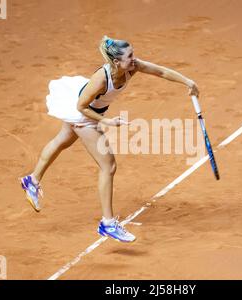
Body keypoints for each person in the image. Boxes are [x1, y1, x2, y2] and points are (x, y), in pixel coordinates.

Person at [20, 36, 199, 243]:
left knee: (63, 141)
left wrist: (188, 82)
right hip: (83, 114)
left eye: (133, 54)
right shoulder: (101, 79)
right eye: (130, 56)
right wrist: (106, 121)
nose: (134, 59)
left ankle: (31, 180)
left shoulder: (132, 67)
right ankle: (108, 223)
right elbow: (81, 107)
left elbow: (160, 71)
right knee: (108, 166)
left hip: (89, 107)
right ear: (116, 62)